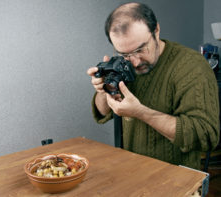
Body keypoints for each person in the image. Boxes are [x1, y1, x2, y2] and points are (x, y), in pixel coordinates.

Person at [87, 2, 220, 170]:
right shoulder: (123, 63)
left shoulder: (192, 66)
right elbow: (102, 112)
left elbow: (206, 136)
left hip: (177, 179)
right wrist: (103, 89)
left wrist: (141, 112)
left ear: (156, 31)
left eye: (141, 49)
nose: (134, 62)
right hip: (131, 171)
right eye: (124, 54)